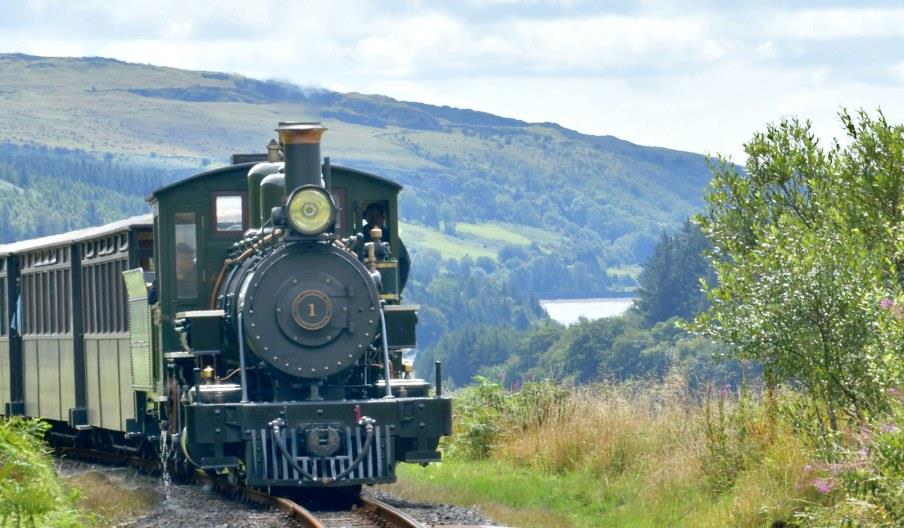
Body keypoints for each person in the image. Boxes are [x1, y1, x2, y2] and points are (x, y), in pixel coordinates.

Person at [362, 202, 410, 293]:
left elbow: (405, 262)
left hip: (386, 285)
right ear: (366, 218)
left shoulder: (391, 236)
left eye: (377, 216)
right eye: (371, 216)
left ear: (382, 218)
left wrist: (398, 288)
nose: (374, 219)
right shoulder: (360, 234)